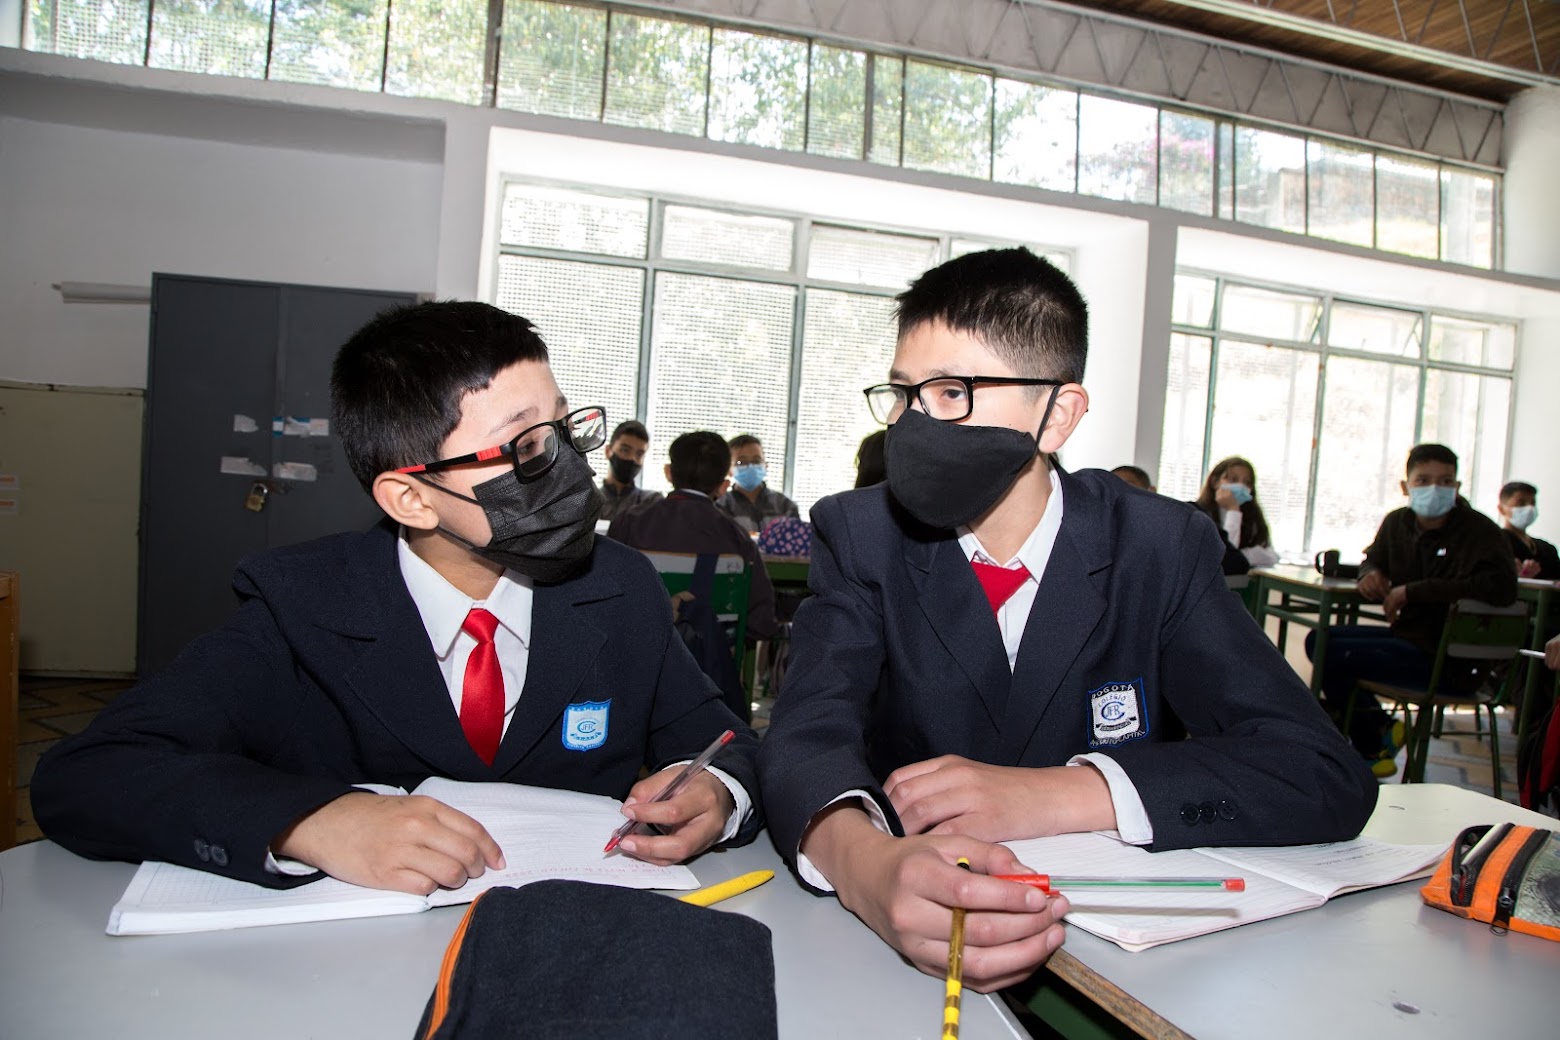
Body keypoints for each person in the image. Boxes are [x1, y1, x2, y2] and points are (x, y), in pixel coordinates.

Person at [758, 247, 1376, 993]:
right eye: (900, 393)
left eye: (951, 392)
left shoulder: (1158, 546)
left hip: (1118, 956)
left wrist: (1062, 792)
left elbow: (1319, 771)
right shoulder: (862, 535)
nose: (912, 422)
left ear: (1058, 414)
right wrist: (865, 865)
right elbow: (803, 734)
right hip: (895, 955)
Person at [32, 302, 761, 893]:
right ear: (411, 497)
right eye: (525, 448)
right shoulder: (302, 605)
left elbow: (726, 743)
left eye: (565, 428)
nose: (568, 465)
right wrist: (312, 822)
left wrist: (720, 794)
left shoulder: (619, 588)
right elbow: (90, 775)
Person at [1306, 443, 1518, 774]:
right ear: (1406, 487)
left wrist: (1413, 592)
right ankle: (1379, 731)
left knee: (1337, 656)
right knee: (1319, 640)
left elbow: (1502, 586)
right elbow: (1372, 558)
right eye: (1424, 480)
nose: (1435, 488)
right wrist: (1370, 573)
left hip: (1452, 659)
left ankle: (1372, 741)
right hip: (1410, 639)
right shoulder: (1397, 523)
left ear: (1458, 486)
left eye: (1446, 481)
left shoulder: (1480, 531)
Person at [608, 430, 779, 642]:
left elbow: (604, 600)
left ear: (669, 473)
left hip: (636, 658)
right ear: (723, 485)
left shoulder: (628, 523)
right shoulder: (738, 538)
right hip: (708, 668)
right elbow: (761, 623)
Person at [1194, 457, 1279, 569]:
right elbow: (1225, 557)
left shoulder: (1252, 516)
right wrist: (1233, 509)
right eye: (1233, 480)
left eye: (1247, 482)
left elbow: (1272, 555)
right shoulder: (1199, 514)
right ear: (1215, 482)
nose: (1241, 486)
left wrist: (1241, 557)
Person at [716, 434, 799, 534]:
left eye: (756, 461)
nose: (750, 466)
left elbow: (796, 544)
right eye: (742, 462)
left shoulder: (785, 506)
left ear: (765, 465)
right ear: (729, 469)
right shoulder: (720, 506)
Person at [597, 419, 663, 522]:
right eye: (625, 450)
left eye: (639, 454)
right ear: (608, 451)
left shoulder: (650, 502)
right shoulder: (589, 501)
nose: (632, 458)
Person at [1497, 481, 1559, 580]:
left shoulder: (1547, 549)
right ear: (1501, 509)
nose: (1529, 508)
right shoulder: (1496, 543)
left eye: (1533, 503)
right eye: (1521, 503)